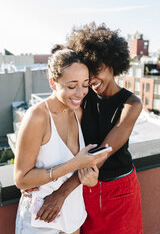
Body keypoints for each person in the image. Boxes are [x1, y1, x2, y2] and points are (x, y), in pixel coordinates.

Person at [14, 45, 111, 234]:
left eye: (84, 85)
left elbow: (85, 170)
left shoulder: (80, 113)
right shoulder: (37, 117)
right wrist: (76, 163)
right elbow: (21, 180)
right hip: (39, 219)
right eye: (71, 86)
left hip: (73, 217)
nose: (80, 93)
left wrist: (90, 178)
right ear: (53, 83)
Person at [66, 22, 143, 234]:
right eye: (86, 73)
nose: (90, 79)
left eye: (95, 70)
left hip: (119, 191)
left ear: (111, 60)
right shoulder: (83, 95)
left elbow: (101, 153)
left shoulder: (131, 104)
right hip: (85, 186)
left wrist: (59, 194)